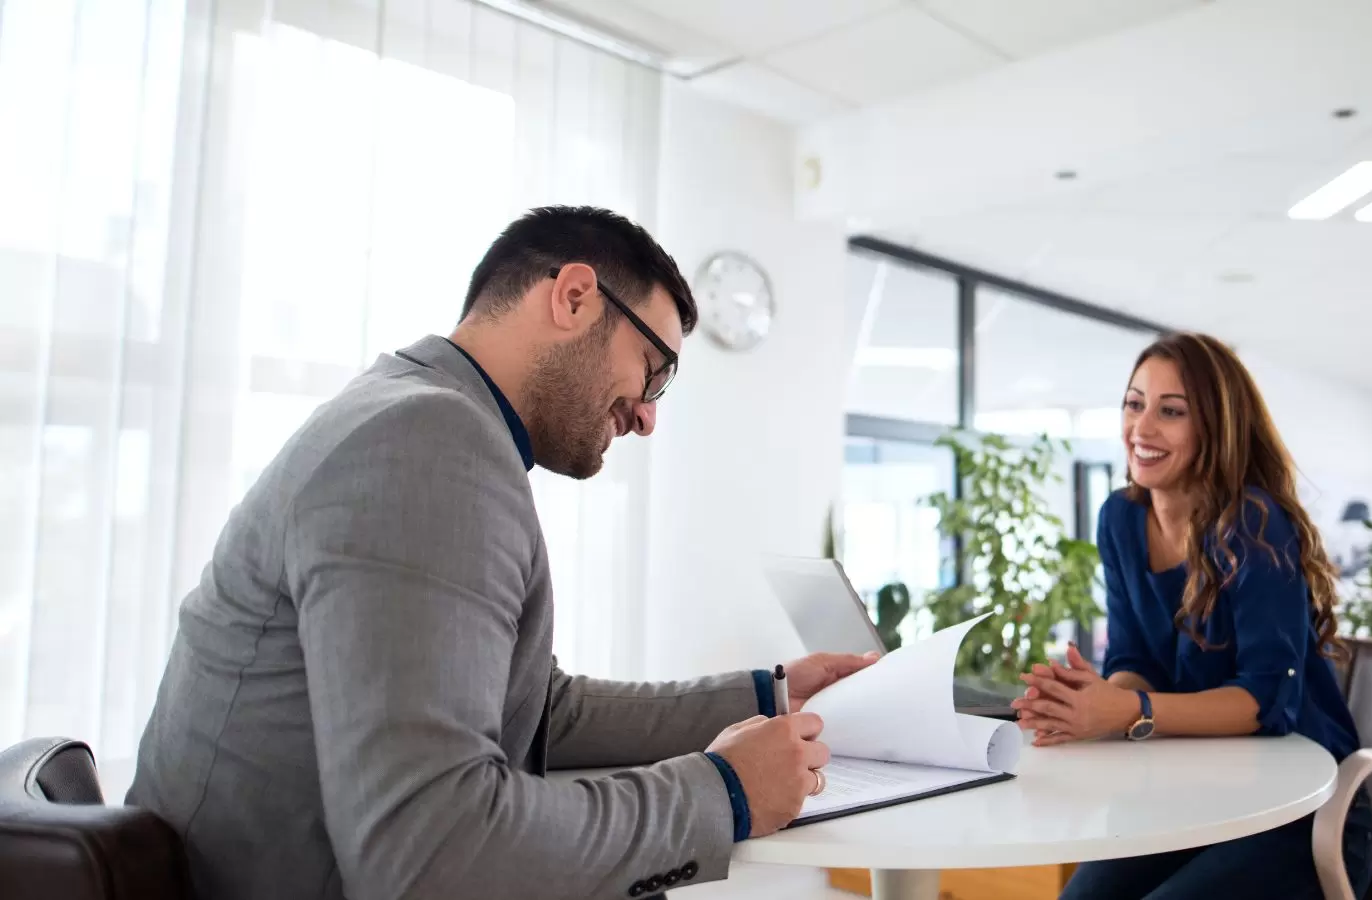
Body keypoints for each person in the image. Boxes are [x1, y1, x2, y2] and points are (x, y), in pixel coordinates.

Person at [126, 206, 874, 900]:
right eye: (655, 369)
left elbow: (539, 708)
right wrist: (724, 794)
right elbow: (429, 848)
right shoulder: (424, 442)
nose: (647, 416)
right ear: (574, 297)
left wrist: (771, 696)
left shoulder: (414, 416)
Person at [1011, 332, 1372, 900]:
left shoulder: (1254, 525)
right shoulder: (1120, 519)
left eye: (1171, 412)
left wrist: (1127, 709)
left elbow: (1266, 701)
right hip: (1195, 794)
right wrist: (1094, 704)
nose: (1143, 428)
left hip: (1303, 808)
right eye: (1135, 404)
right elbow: (1133, 658)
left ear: (1215, 426)